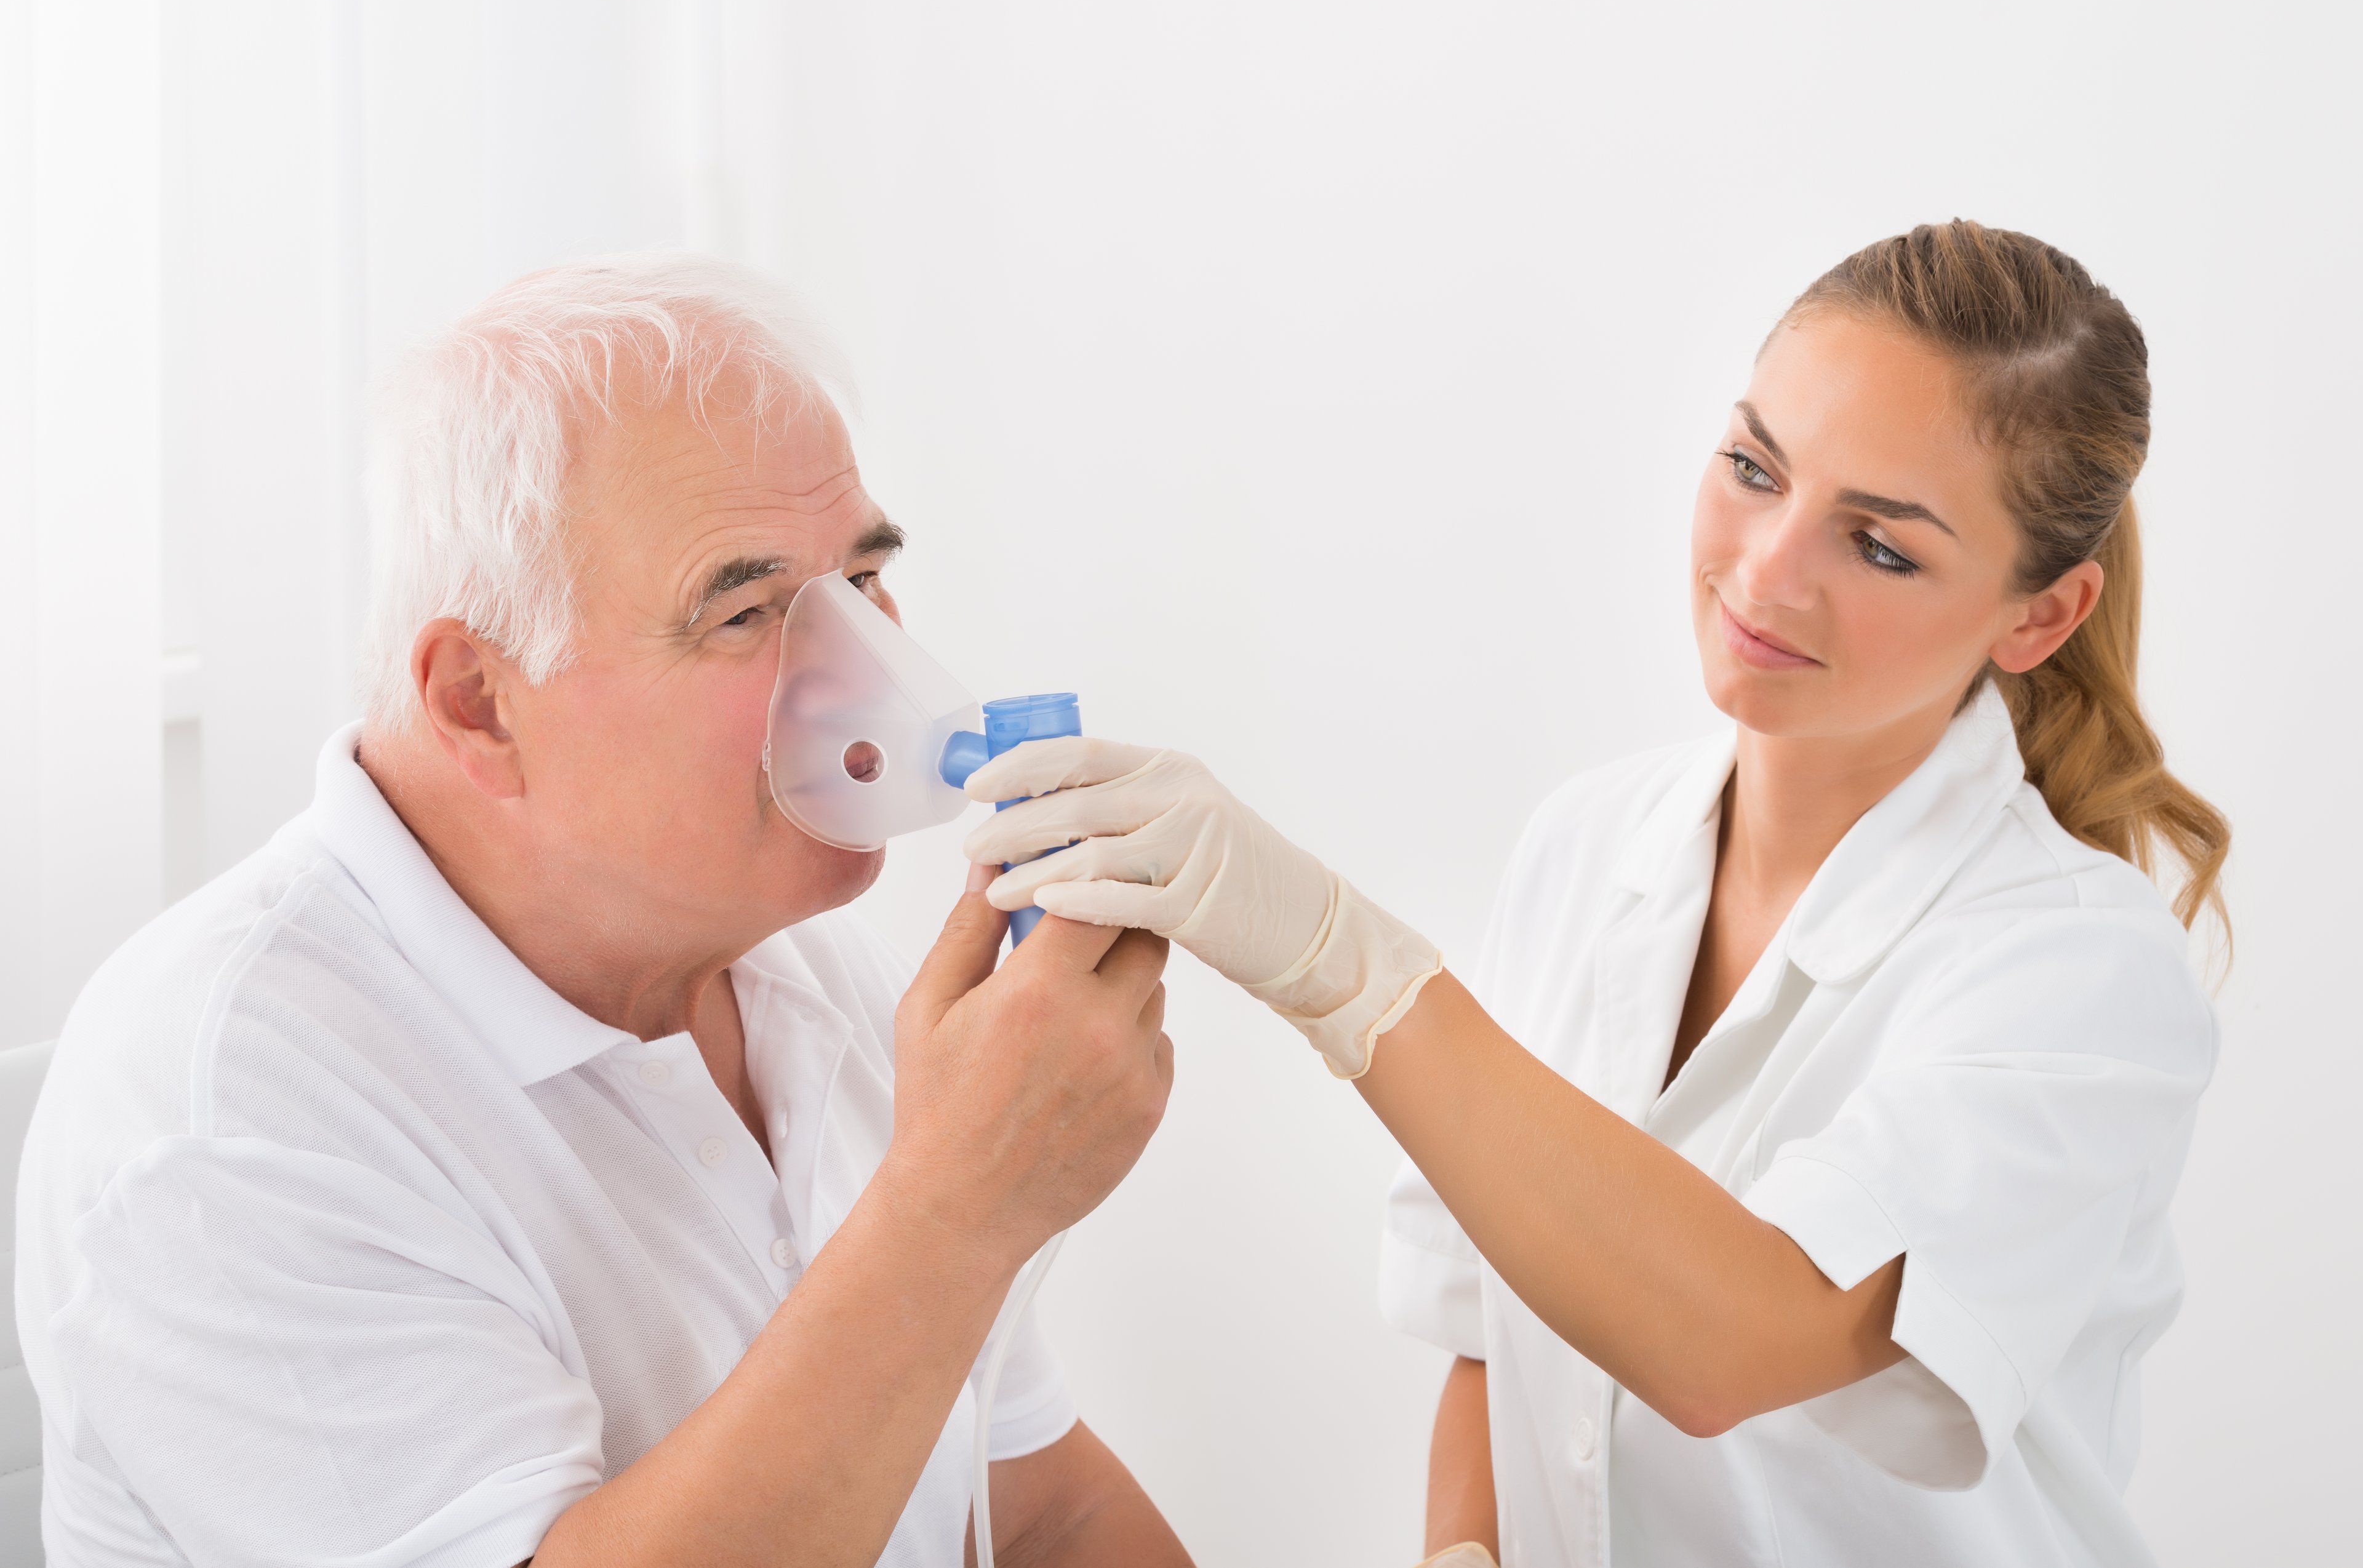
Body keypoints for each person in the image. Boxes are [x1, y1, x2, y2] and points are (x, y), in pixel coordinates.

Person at [958, 222, 2227, 1567]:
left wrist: (1336, 959)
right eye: (1754, 468)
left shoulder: (2082, 972)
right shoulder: (1589, 844)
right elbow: (1494, 1315)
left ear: (2039, 617)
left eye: (1883, 547)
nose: (1766, 569)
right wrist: (1467, 1550)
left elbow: (1733, 1335)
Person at [14, 255, 1193, 1567]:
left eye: (861, 585)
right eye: (746, 614)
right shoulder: (225, 1114)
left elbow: (1044, 1515)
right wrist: (959, 1208)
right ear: (477, 697)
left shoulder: (804, 970)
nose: (874, 674)